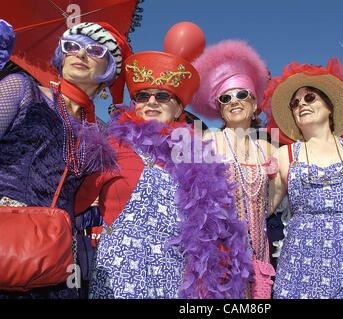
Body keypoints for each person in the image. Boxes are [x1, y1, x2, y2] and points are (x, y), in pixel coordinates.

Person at [74, 40, 254, 299]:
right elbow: (75, 201)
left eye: (162, 96)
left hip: (174, 277)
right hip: (118, 276)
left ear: (179, 107)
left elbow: (215, 232)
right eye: (142, 96)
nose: (151, 102)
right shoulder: (111, 146)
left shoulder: (196, 160)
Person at [0, 21, 130, 298]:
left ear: (108, 71)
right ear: (62, 57)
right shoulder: (22, 89)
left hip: (56, 267)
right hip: (5, 245)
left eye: (95, 50)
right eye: (72, 46)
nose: (81, 54)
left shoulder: (103, 136)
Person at [261, 57, 343, 299]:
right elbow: (263, 209)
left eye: (310, 97)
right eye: (295, 102)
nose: (301, 103)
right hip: (301, 274)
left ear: (330, 106)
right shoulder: (284, 156)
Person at [190, 39, 277, 299]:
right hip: (221, 254)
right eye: (225, 98)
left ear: (254, 104)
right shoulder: (207, 142)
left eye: (241, 95)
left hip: (259, 253)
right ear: (219, 108)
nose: (234, 101)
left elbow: (272, 201)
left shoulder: (268, 148)